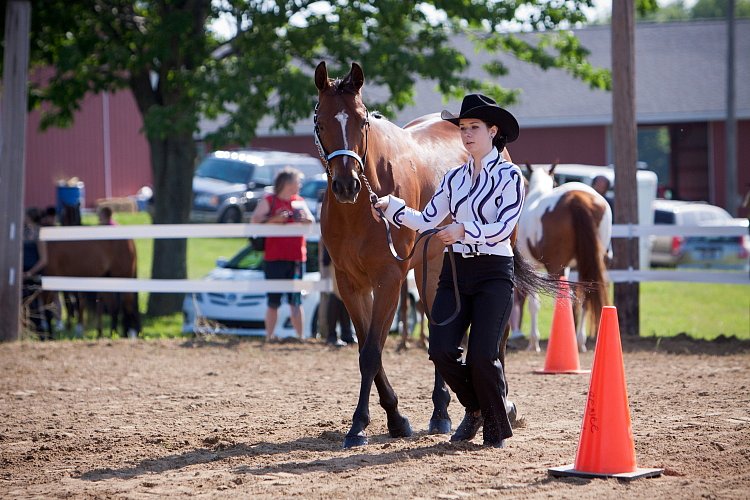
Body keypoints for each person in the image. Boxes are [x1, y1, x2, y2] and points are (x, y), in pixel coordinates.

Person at [370, 93, 524, 448]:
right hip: (456, 272)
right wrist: (392, 207)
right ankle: (475, 408)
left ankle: (495, 428)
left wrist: (464, 230)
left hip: (494, 272)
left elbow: (503, 228)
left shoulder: (510, 176)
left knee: (483, 356)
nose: (467, 134)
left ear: (493, 131)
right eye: (464, 128)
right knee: (440, 350)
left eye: (474, 128)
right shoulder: (454, 178)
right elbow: (426, 220)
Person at [251, 167, 314, 342]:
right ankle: (269, 337)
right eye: (297, 181)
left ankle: (300, 337)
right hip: (274, 257)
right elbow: (255, 220)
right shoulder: (269, 200)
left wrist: (304, 219)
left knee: (296, 301)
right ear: (287, 183)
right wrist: (274, 220)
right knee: (273, 301)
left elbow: (311, 222)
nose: (299, 184)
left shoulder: (300, 201)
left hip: (296, 257)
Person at [22, 207, 51, 339]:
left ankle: (41, 333)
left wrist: (30, 273)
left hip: (33, 274)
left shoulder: (38, 234)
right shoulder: (23, 232)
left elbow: (43, 259)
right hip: (22, 274)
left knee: (35, 305)